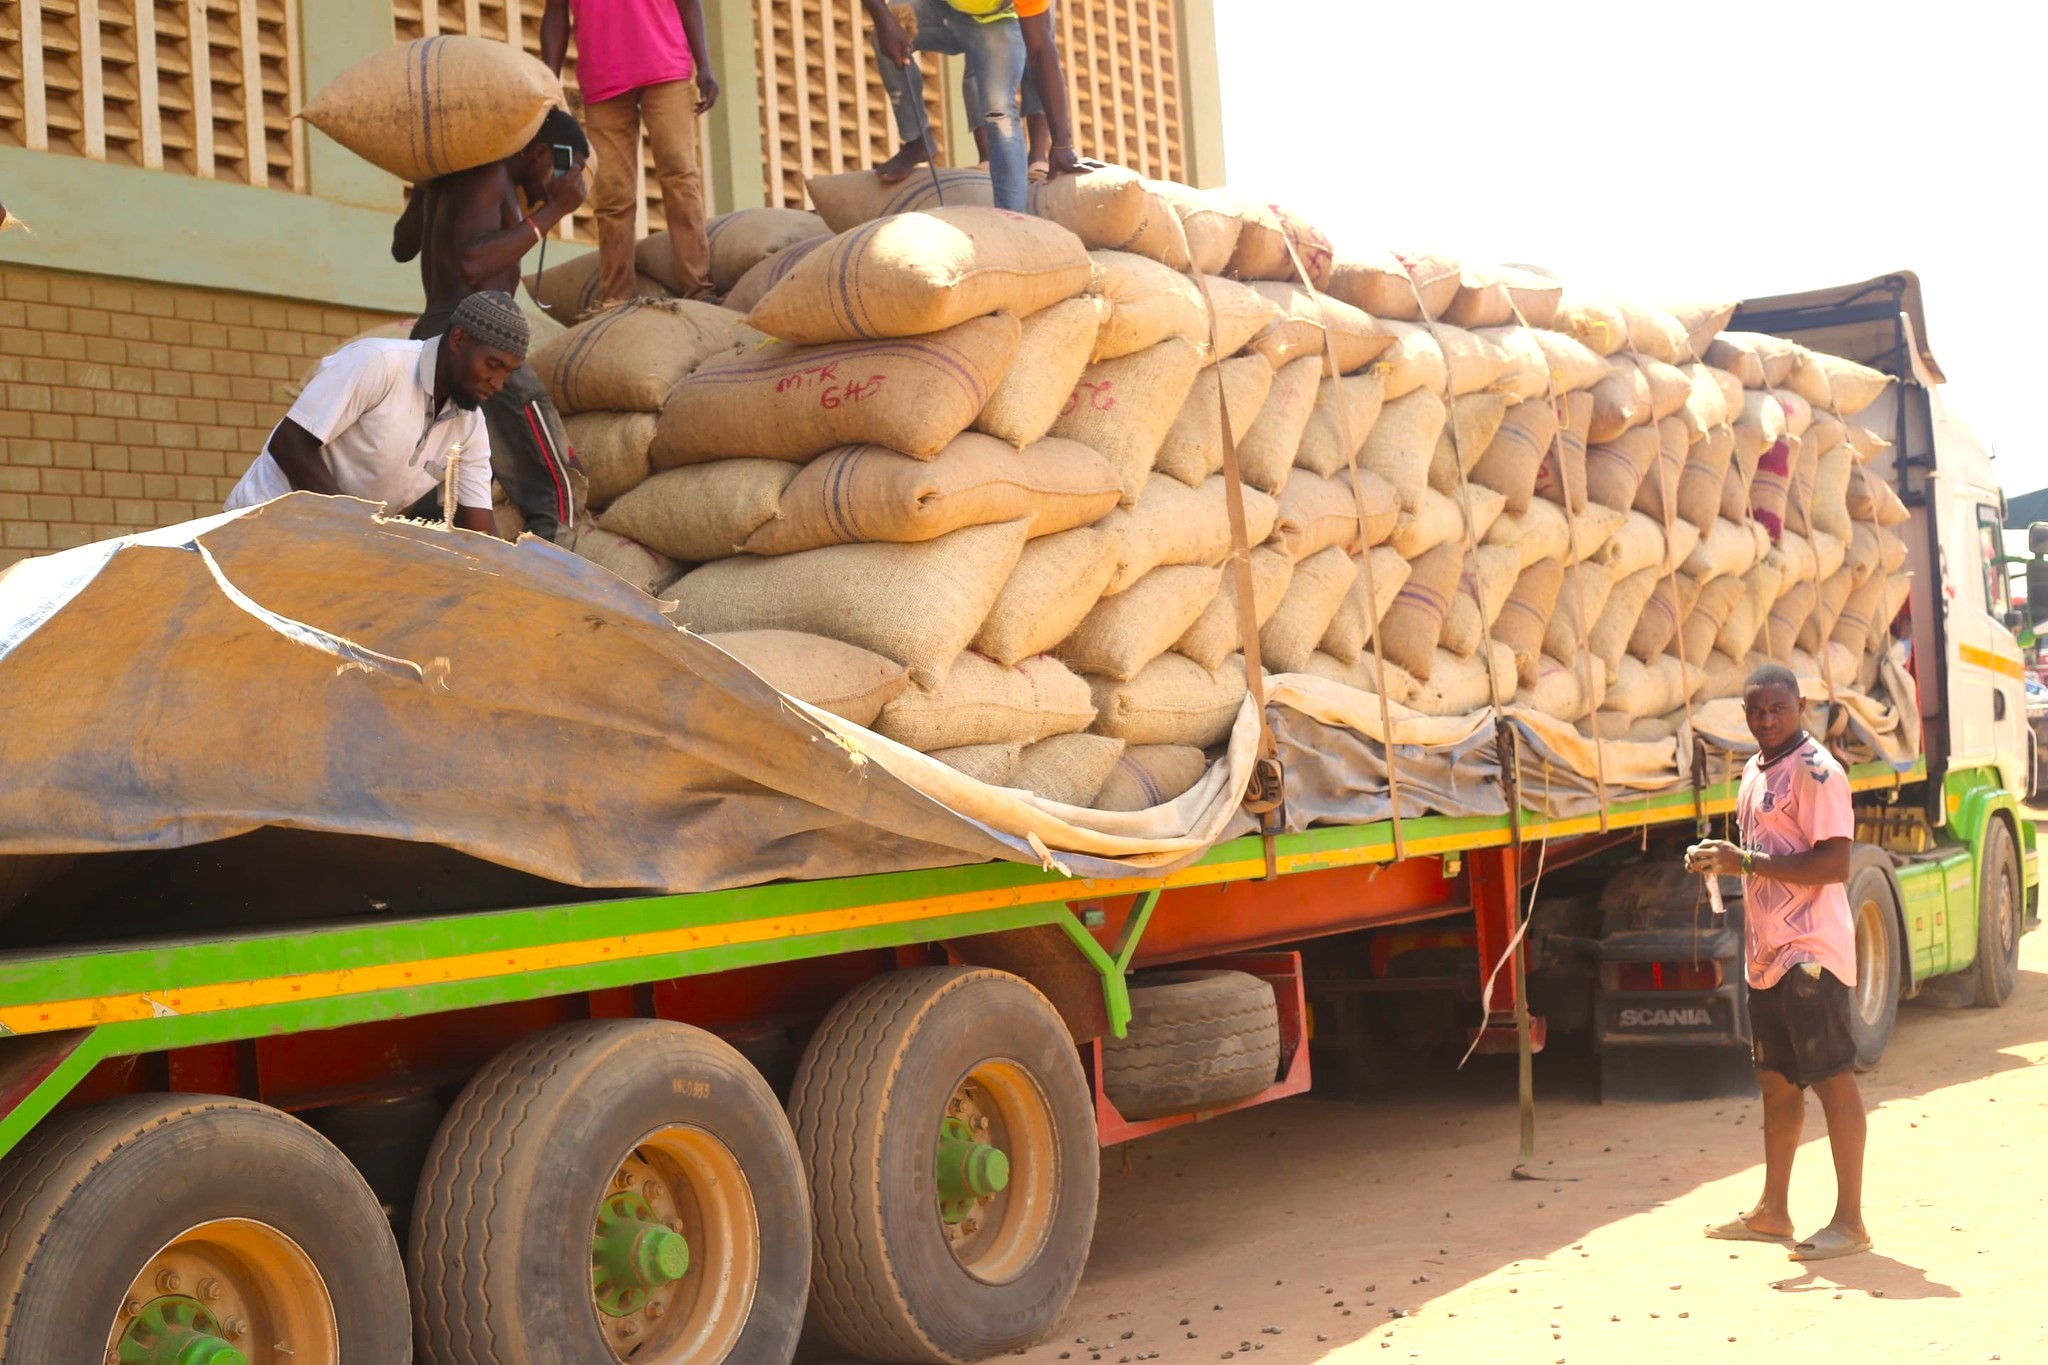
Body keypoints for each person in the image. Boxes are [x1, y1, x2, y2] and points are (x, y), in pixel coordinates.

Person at [1686, 663, 1871, 1263]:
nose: (1766, 719)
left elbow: (1834, 864)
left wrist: (1741, 862)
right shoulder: (1755, 769)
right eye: (1756, 711)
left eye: (1777, 709)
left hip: (1811, 950)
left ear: (1801, 706)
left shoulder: (1819, 772)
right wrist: (1719, 859)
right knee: (1776, 1079)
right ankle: (1773, 1212)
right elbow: (1759, 852)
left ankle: (1851, 1222)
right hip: (1767, 951)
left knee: (1832, 1077)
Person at [392, 107, 589, 544]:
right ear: (541, 152)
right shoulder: (488, 175)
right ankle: (545, 575)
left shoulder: (449, 180)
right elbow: (474, 261)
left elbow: (401, 245)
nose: (569, 183)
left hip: (434, 342)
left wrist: (424, 188)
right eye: (567, 167)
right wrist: (555, 209)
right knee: (556, 491)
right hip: (481, 342)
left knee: (437, 496)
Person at [222, 292, 530, 538]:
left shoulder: (470, 426)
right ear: (458, 339)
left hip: (331, 546)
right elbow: (290, 444)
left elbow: (476, 531)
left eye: (508, 372)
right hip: (258, 528)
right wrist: (354, 528)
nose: (498, 383)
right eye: (493, 365)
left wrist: (507, 576)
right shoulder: (379, 363)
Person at [541, 0, 719, 304]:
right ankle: (617, 298)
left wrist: (704, 66)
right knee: (613, 195)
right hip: (602, 79)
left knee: (680, 177)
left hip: (666, 68)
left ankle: (699, 288)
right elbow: (555, 12)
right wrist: (549, 84)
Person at [863, 0, 1098, 212]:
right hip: (940, 8)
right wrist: (883, 19)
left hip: (994, 25)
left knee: (999, 111)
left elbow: (1040, 52)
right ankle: (918, 141)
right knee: (884, 31)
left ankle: (1013, 217)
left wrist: (1061, 145)